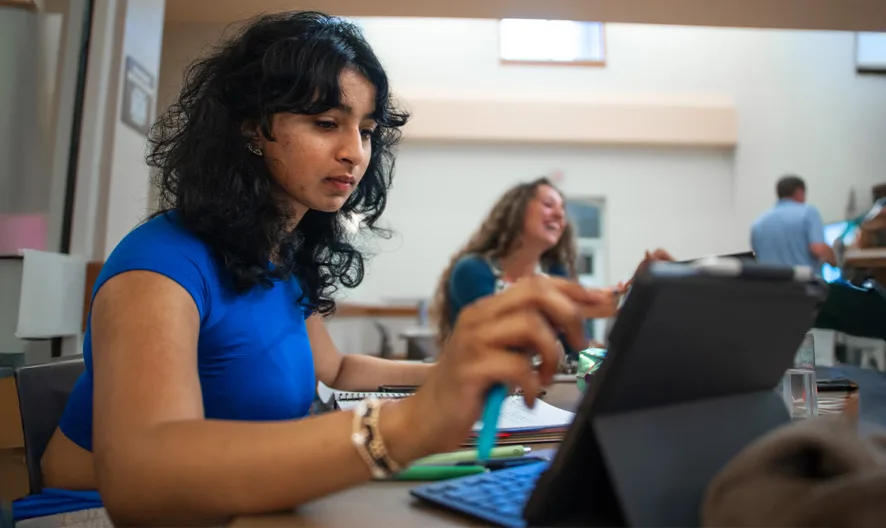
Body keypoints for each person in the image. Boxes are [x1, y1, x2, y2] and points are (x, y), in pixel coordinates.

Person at [21, 12, 615, 526]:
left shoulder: (275, 254)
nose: (356, 151)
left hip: (234, 505)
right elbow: (142, 486)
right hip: (89, 511)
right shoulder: (158, 267)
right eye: (327, 123)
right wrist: (403, 426)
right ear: (253, 127)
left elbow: (336, 366)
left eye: (366, 129)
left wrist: (451, 372)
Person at [431, 177, 669, 353]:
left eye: (563, 209)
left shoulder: (556, 272)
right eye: (548, 204)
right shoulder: (472, 270)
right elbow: (501, 329)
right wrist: (587, 304)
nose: (559, 214)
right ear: (517, 211)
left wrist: (639, 288)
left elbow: (579, 349)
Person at [751, 175, 836, 272]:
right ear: (799, 192)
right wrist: (836, 260)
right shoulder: (808, 213)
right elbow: (818, 248)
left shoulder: (759, 222)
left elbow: (758, 255)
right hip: (803, 284)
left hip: (770, 285)